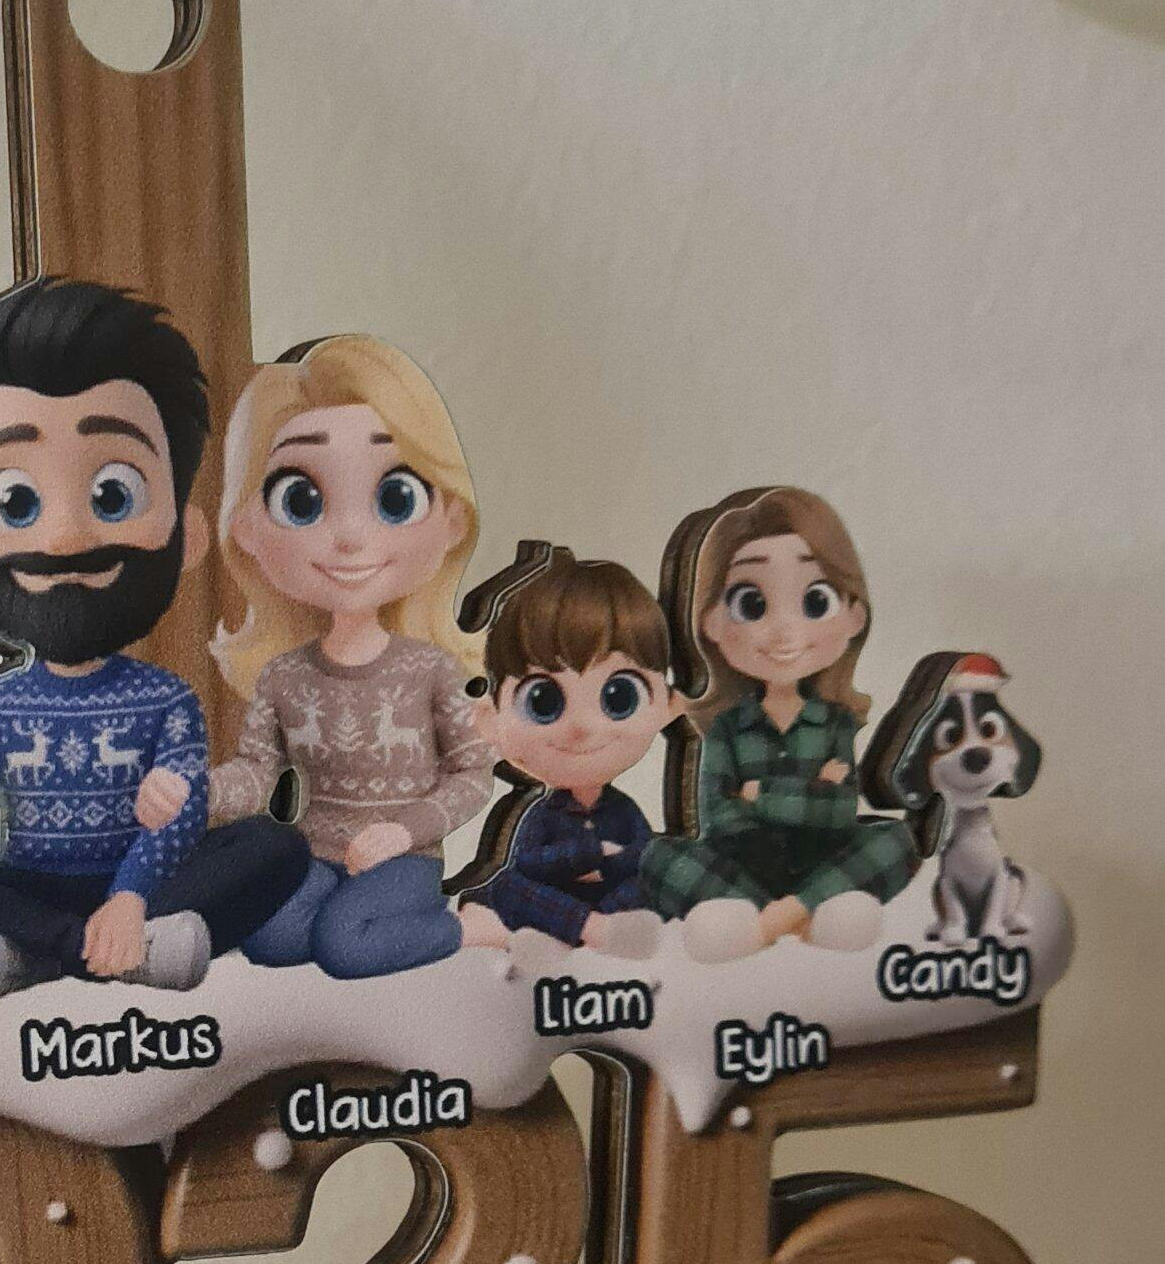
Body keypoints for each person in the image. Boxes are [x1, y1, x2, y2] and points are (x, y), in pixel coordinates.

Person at [0, 277, 305, 1003]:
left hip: (148, 885)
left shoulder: (165, 699)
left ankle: (32, 957)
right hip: (27, 890)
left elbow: (179, 816)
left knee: (274, 845)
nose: (65, 536)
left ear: (187, 536)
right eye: (15, 501)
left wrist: (131, 896)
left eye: (113, 494)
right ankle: (88, 951)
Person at [207, 335, 490, 977]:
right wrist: (200, 792)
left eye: (395, 497)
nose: (351, 537)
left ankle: (463, 927)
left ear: (449, 516)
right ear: (247, 527)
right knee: (269, 938)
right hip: (318, 858)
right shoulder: (285, 676)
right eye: (300, 502)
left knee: (346, 947)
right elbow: (257, 773)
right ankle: (352, 919)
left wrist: (406, 831)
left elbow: (473, 774)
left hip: (405, 860)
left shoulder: (428, 671)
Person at [641, 487, 915, 957]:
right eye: (751, 604)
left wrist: (759, 794)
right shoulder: (727, 727)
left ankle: (781, 916)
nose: (785, 631)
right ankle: (786, 915)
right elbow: (720, 817)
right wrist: (809, 791)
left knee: (895, 839)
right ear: (711, 621)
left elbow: (839, 811)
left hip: (821, 859)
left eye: (815, 601)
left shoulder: (835, 723)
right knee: (657, 856)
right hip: (741, 864)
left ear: (854, 615)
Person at [457, 549, 680, 953]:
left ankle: (587, 932)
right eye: (543, 701)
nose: (582, 727)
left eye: (618, 697)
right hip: (557, 902)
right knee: (504, 886)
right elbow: (527, 864)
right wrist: (589, 853)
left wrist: (612, 864)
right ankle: (588, 930)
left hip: (608, 901)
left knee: (658, 881)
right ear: (492, 717)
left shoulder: (622, 810)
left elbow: (642, 857)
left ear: (668, 704)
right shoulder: (542, 813)